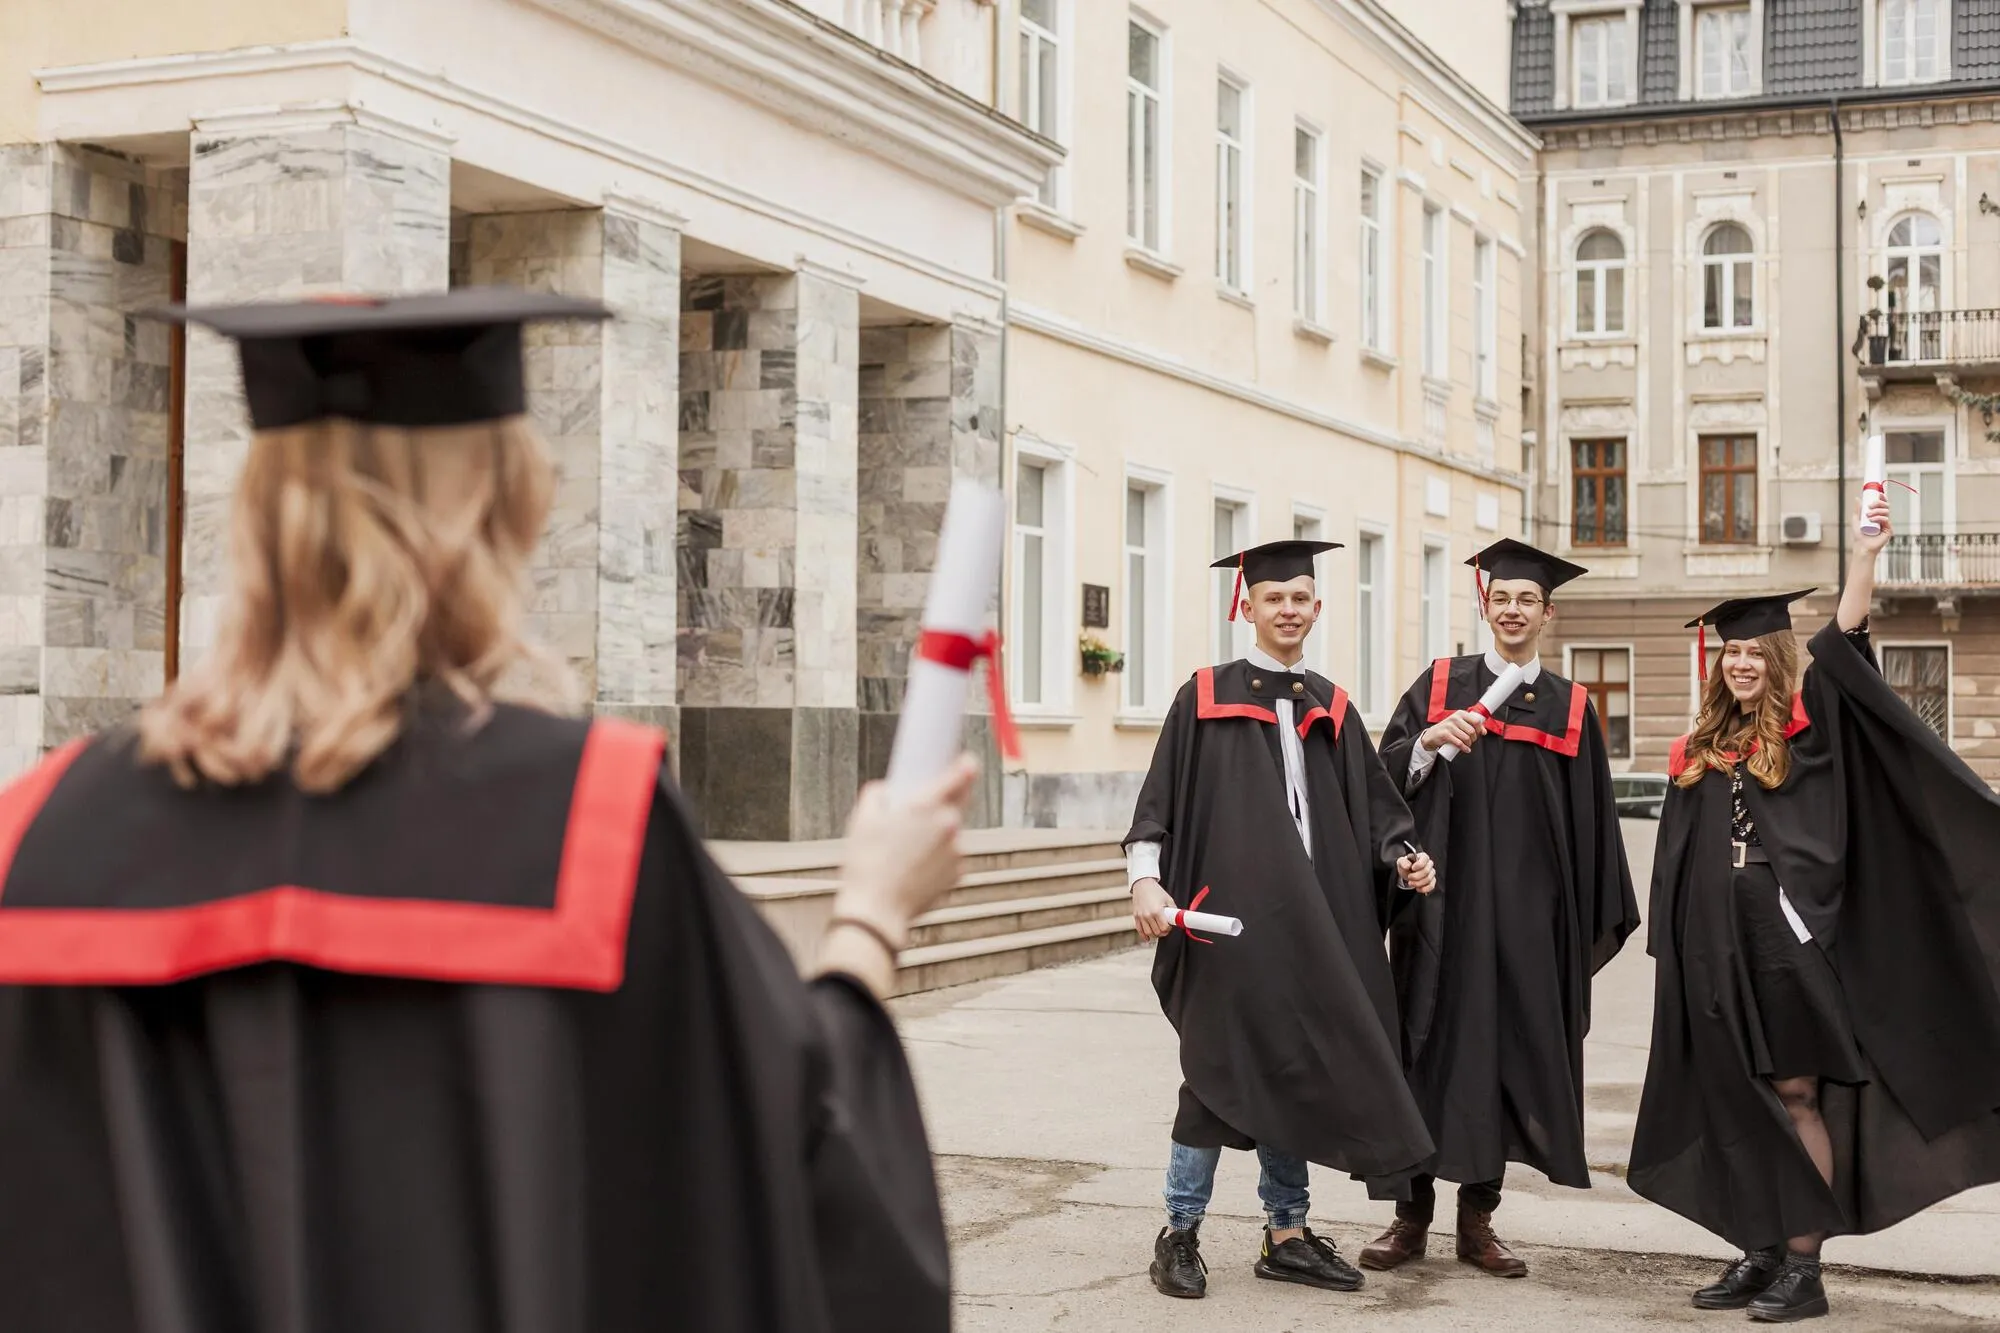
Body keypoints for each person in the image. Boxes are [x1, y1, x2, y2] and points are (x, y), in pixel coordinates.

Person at [0, 287, 973, 1333]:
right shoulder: (586, 827)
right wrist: (871, 912)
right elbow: (800, 1173)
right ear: (501, 514)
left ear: (252, 514)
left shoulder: (43, 839)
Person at [1630, 491, 2000, 1323]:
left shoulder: (1811, 726)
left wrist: (1863, 559)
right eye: (1730, 653)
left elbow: (1847, 645)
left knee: (1795, 1091)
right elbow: (1675, 856)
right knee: (1734, 1091)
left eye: (1755, 651)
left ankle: (1805, 1265)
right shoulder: (1697, 748)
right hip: (1709, 939)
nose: (1741, 663)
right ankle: (1759, 1249)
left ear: (1776, 656)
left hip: (1786, 936)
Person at [1125, 539, 1438, 1302]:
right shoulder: (1203, 696)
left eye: (1301, 597)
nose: (1289, 609)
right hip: (1227, 924)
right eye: (1275, 598)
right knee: (1213, 1075)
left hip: (1314, 926)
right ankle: (1180, 1232)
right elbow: (1156, 806)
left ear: (1316, 609)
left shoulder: (1331, 704)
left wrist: (1405, 856)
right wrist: (1144, 881)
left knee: (1295, 1069)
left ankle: (1287, 1233)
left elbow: (1375, 808)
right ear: (1248, 606)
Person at [1361, 539, 1639, 1279]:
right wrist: (1424, 741)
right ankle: (1409, 1218)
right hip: (1439, 915)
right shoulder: (1441, 682)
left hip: (1527, 927)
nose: (1513, 610)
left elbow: (1593, 827)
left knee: (1510, 1063)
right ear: (1485, 606)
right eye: (1502, 598)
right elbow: (1379, 781)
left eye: (1527, 600)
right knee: (1423, 1051)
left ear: (1548, 612)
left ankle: (1478, 1220)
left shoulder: (1572, 708)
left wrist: (1576, 921)